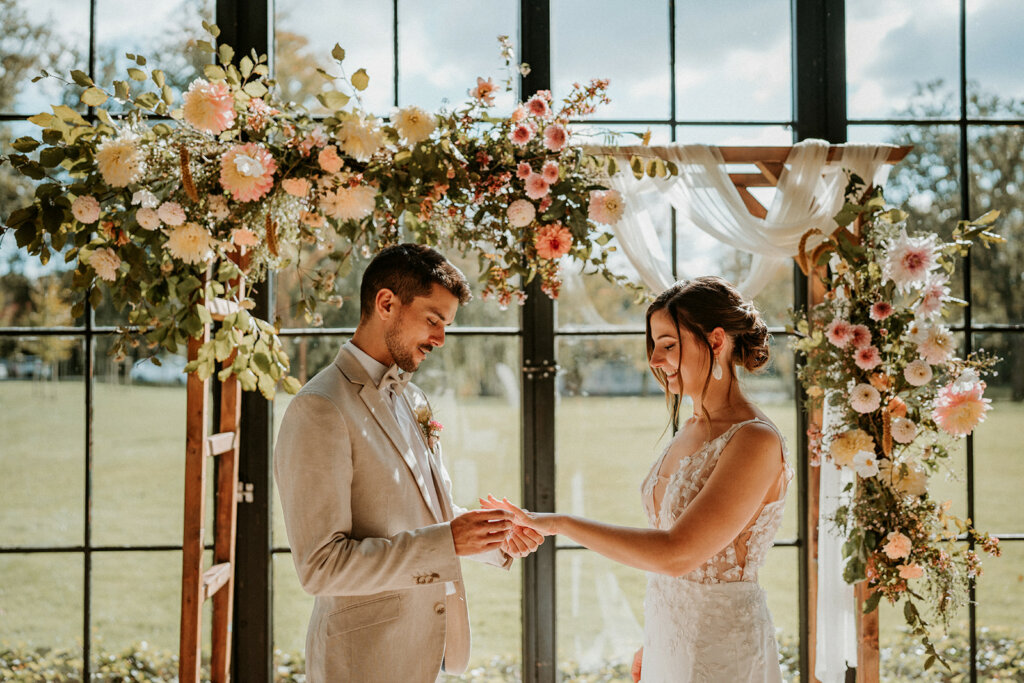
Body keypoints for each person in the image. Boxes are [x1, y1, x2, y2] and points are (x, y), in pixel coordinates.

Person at [485, 276, 790, 682]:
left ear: (717, 342)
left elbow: (676, 553)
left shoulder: (755, 440)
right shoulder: (693, 427)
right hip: (672, 640)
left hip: (722, 654)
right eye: (654, 346)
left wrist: (560, 523)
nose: (654, 361)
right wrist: (659, 636)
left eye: (668, 345)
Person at [274, 243, 542, 682]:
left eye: (447, 325)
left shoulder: (412, 397)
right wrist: (447, 542)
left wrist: (493, 536)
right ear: (386, 303)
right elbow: (320, 567)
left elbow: (418, 514)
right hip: (363, 664)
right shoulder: (320, 409)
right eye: (433, 320)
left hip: (426, 658)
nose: (440, 338)